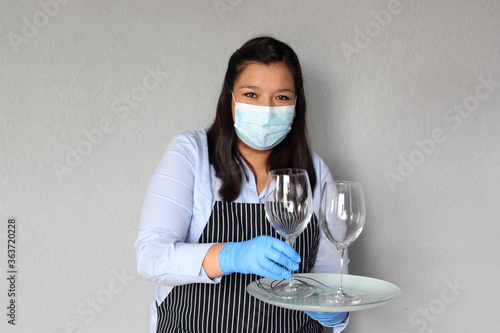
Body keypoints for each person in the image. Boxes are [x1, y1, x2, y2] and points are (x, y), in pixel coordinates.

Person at [135, 36, 349, 333]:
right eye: (251, 94)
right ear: (230, 98)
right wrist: (230, 256)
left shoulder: (315, 171)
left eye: (282, 97)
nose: (267, 109)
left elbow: (330, 280)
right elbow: (151, 257)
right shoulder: (191, 154)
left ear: (296, 106)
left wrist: (333, 313)